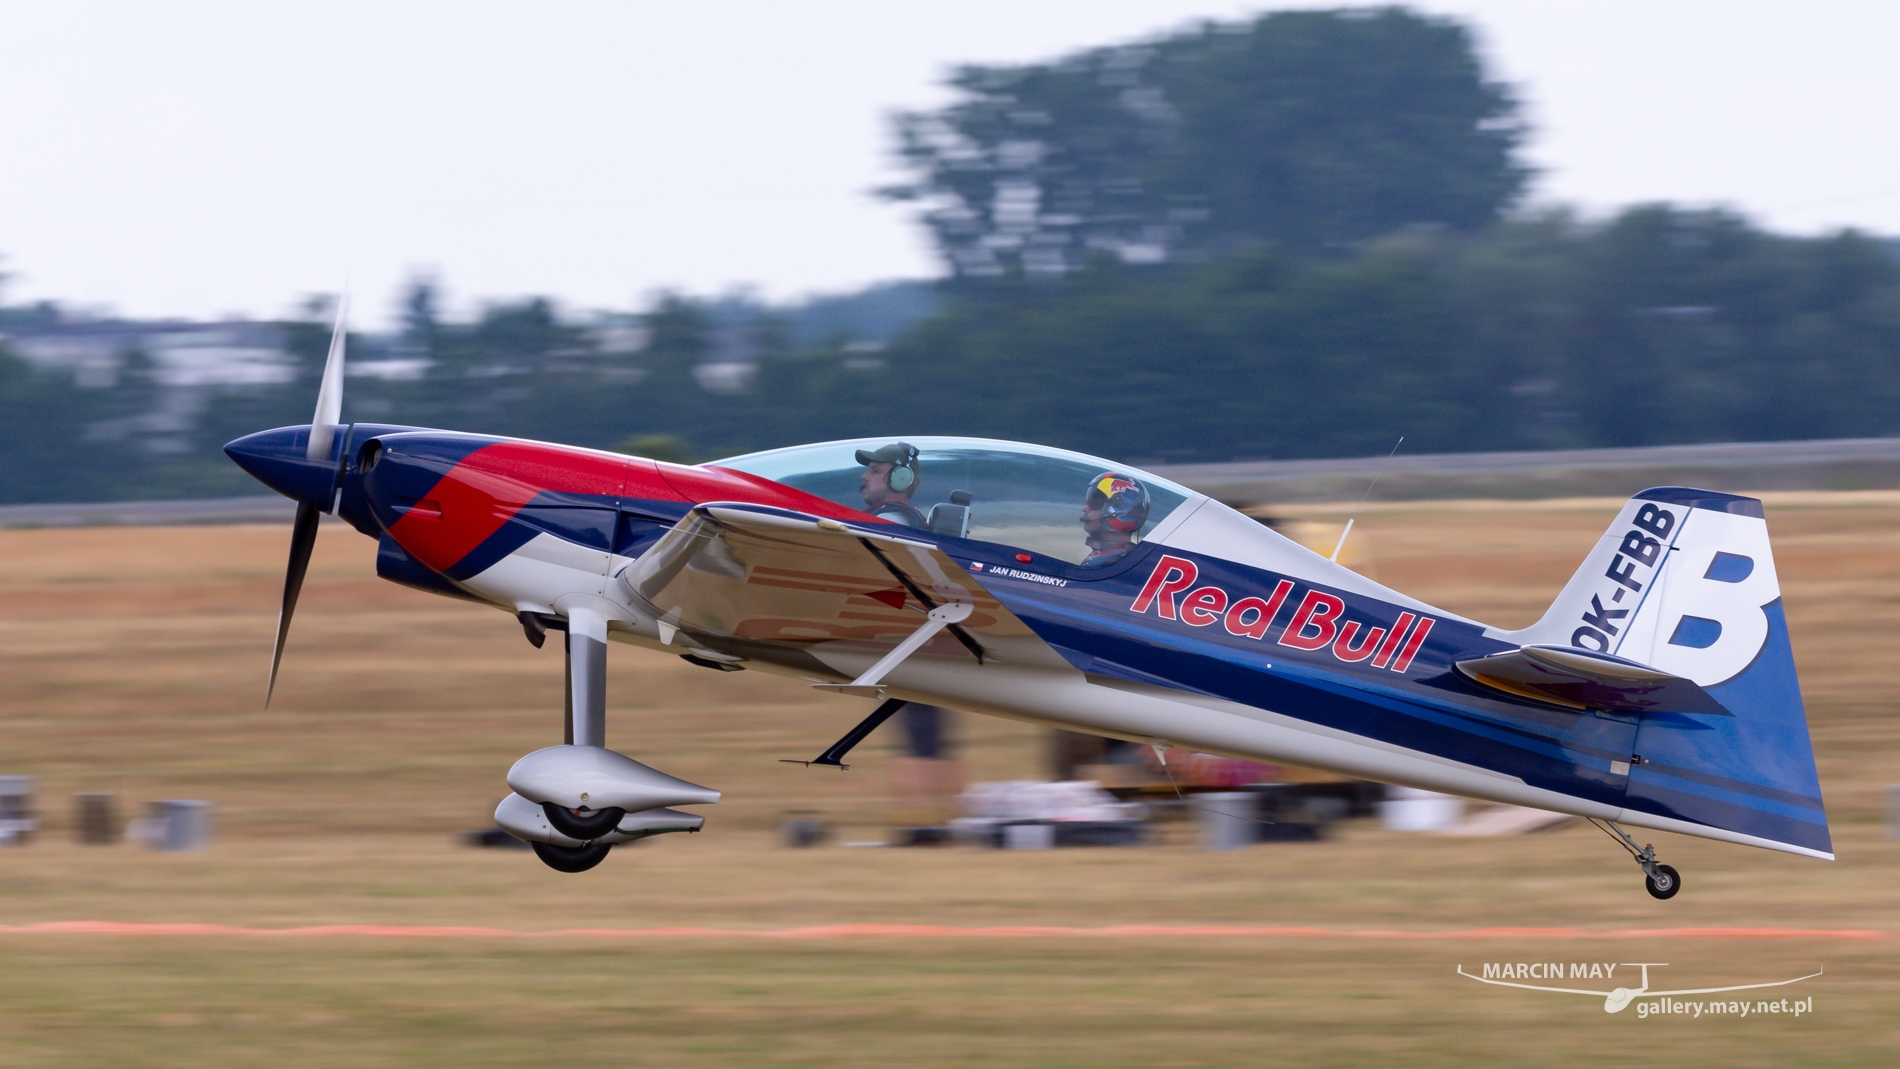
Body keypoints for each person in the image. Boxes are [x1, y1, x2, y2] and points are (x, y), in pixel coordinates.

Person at [1079, 471, 1150, 566]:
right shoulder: (1104, 557)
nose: (1085, 509)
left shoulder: (1115, 565)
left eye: (1094, 504)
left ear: (1115, 512)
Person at [855, 441, 928, 527]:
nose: (864, 476)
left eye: (875, 470)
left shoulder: (886, 523)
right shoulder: (906, 519)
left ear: (901, 478)